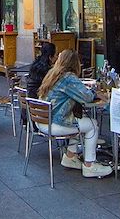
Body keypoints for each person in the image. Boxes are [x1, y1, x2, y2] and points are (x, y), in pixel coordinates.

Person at [37, 49, 113, 178]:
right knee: (92, 125)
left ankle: (70, 157)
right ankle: (90, 165)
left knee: (79, 121)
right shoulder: (68, 78)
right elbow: (87, 97)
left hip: (42, 120)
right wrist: (97, 93)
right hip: (55, 123)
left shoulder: (53, 74)